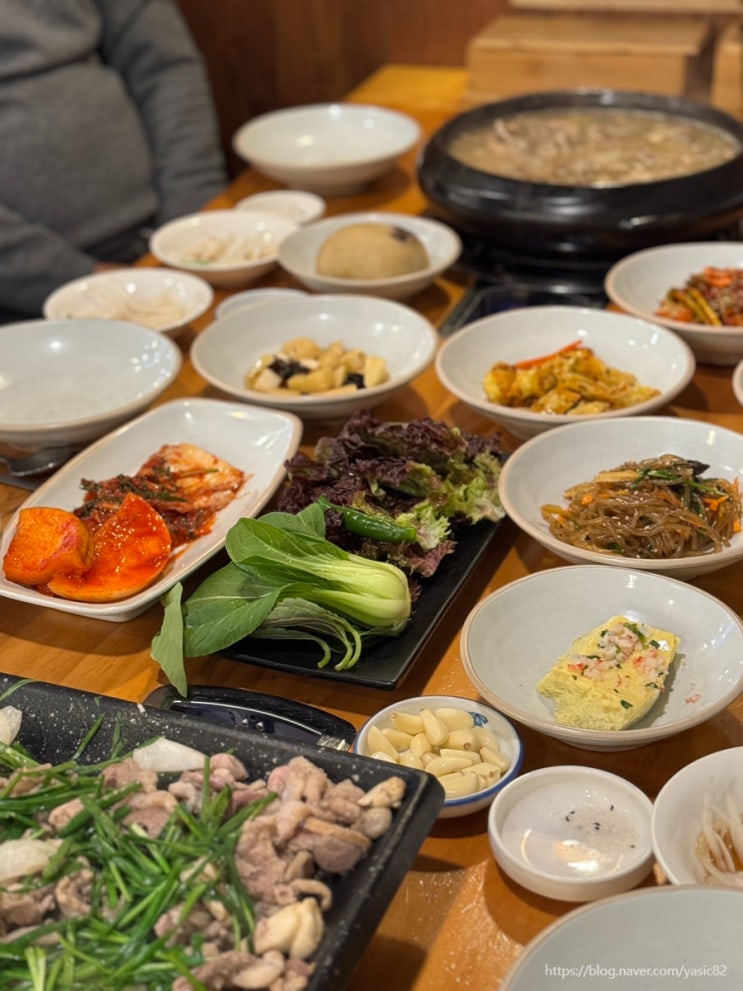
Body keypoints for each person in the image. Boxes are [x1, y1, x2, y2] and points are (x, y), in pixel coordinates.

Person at [0, 0, 228, 320]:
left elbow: (165, 64)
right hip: (27, 304)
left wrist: (193, 222)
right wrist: (77, 280)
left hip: (170, 239)